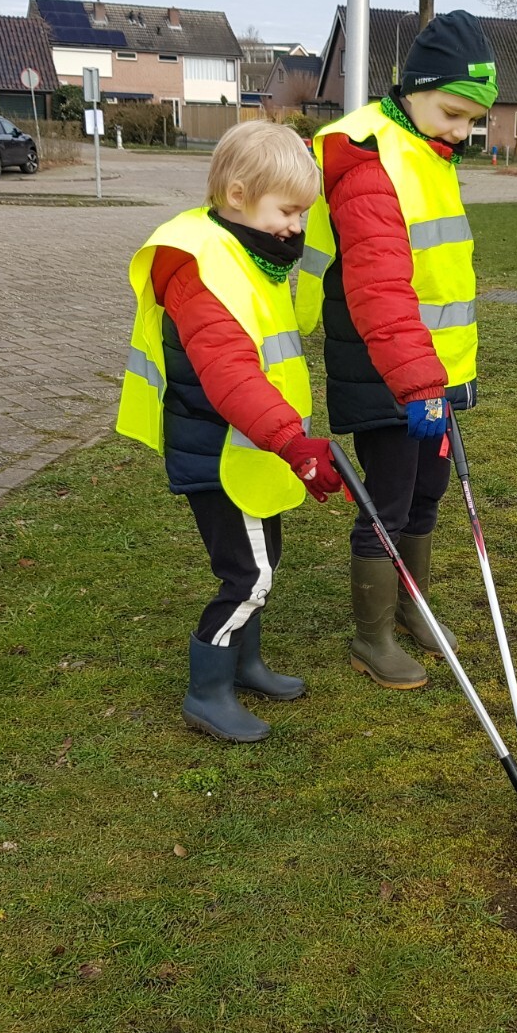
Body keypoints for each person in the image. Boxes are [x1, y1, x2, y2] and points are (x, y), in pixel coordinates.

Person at [117, 121, 344, 742]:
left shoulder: (245, 250)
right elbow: (230, 375)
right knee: (249, 574)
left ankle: (245, 664)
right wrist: (294, 444)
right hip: (220, 454)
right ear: (239, 194)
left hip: (252, 449)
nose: (297, 226)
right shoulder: (203, 267)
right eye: (289, 210)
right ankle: (206, 688)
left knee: (264, 558)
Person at [297, 10, 496, 690]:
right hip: (384, 366)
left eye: (473, 121)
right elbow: (380, 284)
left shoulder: (426, 148)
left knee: (428, 491)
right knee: (388, 496)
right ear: (412, 88)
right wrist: (417, 384)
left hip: (431, 370)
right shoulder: (365, 151)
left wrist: (443, 379)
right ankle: (372, 635)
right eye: (453, 113)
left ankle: (414, 609)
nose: (462, 132)